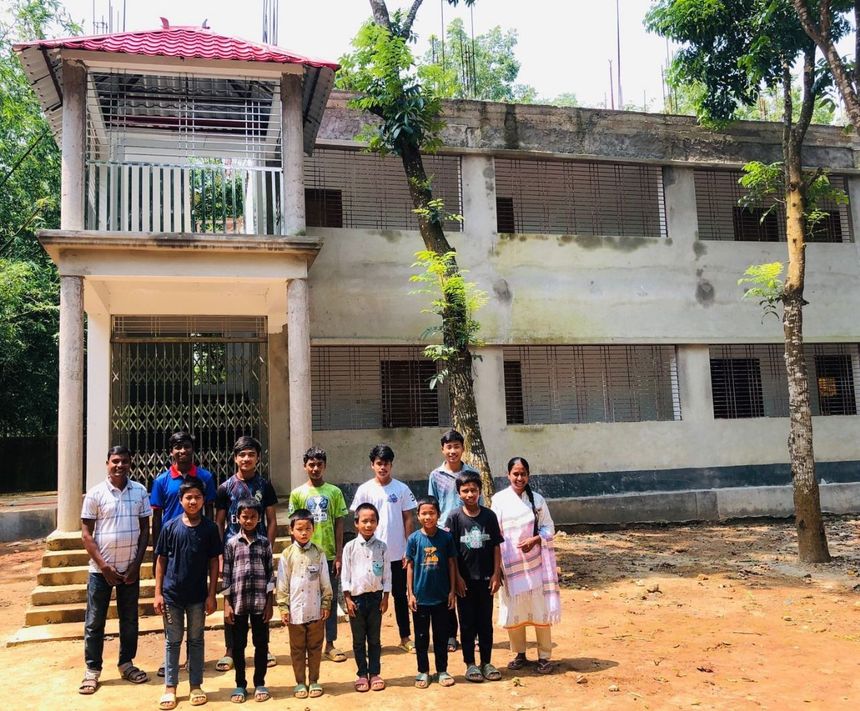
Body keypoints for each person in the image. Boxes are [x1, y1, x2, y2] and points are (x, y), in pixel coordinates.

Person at [79, 445, 152, 695]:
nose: (120, 465)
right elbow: (87, 534)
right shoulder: (95, 494)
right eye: (115, 461)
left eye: (124, 461)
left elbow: (145, 531)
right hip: (101, 572)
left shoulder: (140, 491)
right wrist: (103, 565)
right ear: (107, 463)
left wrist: (136, 565)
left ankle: (126, 663)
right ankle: (92, 670)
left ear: (131, 463)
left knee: (129, 620)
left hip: (129, 570)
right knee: (94, 622)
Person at [150, 431, 217, 677]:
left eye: (187, 446)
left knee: (196, 604)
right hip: (170, 548)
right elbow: (156, 517)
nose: (182, 451)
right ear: (171, 451)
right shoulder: (161, 481)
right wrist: (155, 552)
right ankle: (172, 659)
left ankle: (192, 659)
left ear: (192, 449)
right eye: (177, 447)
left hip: (199, 547)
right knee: (171, 605)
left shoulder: (206, 477)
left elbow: (209, 511)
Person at [154, 477, 222, 709]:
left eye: (197, 497)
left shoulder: (210, 529)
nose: (193, 501)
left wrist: (212, 594)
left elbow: (214, 562)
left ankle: (195, 685)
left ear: (204, 500)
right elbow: (161, 560)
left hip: (198, 597)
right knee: (173, 641)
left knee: (196, 640)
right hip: (172, 595)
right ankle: (170, 687)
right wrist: (158, 593)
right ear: (180, 500)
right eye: (188, 497)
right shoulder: (170, 527)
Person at [491, 457, 561, 675]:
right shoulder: (499, 500)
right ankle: (519, 653)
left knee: (539, 609)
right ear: (508, 475)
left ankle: (544, 656)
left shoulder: (537, 500)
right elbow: (495, 534)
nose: (519, 478)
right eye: (515, 474)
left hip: (536, 566)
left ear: (528, 475)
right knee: (515, 609)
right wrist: (497, 568)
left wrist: (535, 540)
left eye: (523, 474)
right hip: (510, 566)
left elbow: (549, 527)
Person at [215, 436, 279, 671]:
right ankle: (230, 650)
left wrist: (268, 547)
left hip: (259, 551)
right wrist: (221, 553)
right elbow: (219, 522)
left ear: (258, 458)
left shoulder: (265, 485)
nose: (246, 458)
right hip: (234, 553)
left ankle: (265, 647)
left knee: (262, 598)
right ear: (235, 458)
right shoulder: (225, 488)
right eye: (242, 454)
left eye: (251, 454)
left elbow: (271, 520)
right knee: (231, 599)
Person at [350, 444, 417, 652]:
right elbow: (357, 521)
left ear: (391, 465)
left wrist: (408, 548)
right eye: (379, 463)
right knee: (372, 597)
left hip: (397, 554)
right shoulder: (364, 490)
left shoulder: (402, 489)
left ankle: (405, 637)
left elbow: (408, 518)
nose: (383, 467)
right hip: (371, 555)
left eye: (386, 463)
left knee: (399, 595)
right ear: (372, 465)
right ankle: (373, 641)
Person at [288, 446, 348, 663]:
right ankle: (307, 646)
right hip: (305, 555)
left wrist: (339, 554)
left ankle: (330, 643)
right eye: (311, 464)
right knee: (304, 599)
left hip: (329, 555)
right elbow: (294, 526)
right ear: (305, 466)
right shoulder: (297, 494)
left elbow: (339, 522)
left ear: (325, 466)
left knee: (328, 600)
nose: (315, 468)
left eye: (319, 464)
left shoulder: (334, 492)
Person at [447, 470, 504, 682]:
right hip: (465, 582)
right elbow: (451, 553)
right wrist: (457, 579)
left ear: (480, 491)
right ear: (458, 493)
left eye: (474, 490)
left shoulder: (489, 516)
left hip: (486, 580)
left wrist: (496, 574)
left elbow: (497, 546)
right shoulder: (454, 517)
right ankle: (470, 663)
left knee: (485, 623)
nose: (470, 494)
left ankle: (486, 661)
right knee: (467, 622)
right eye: (465, 490)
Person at [428, 429, 480, 651]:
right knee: (447, 584)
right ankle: (451, 634)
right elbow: (432, 504)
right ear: (443, 450)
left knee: (470, 583)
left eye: (456, 446)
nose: (452, 451)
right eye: (448, 447)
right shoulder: (435, 475)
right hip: (445, 534)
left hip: (468, 533)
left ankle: (475, 633)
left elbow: (480, 503)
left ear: (462, 448)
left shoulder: (472, 472)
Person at [222, 498, 275, 703]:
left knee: (261, 644)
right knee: (238, 645)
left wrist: (270, 603)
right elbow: (226, 575)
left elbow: (270, 576)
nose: (249, 520)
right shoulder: (231, 544)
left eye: (253, 516)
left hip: (261, 604)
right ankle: (240, 684)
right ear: (238, 518)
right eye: (245, 516)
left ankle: (260, 682)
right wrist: (227, 604)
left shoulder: (264, 544)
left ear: (259, 518)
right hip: (238, 604)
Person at [276, 508, 333, 699]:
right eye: (299, 529)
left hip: (315, 608)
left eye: (307, 528)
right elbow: (282, 583)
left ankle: (314, 680)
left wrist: (326, 603)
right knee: (297, 648)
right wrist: (283, 607)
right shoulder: (287, 554)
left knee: (315, 647)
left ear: (313, 529)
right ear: (291, 530)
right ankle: (300, 682)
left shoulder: (318, 552)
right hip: (295, 611)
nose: (303, 532)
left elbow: (325, 580)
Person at [405, 495, 458, 689]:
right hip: (420, 598)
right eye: (424, 513)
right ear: (418, 515)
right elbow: (409, 566)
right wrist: (410, 593)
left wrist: (452, 591)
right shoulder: (413, 539)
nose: (428, 517)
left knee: (441, 636)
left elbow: (452, 564)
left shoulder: (446, 537)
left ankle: (442, 670)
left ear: (438, 514)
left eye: (432, 513)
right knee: (421, 637)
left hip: (441, 597)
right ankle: (423, 671)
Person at [341, 502, 391, 692]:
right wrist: (347, 599)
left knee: (375, 639)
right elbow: (345, 576)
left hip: (376, 599)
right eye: (364, 521)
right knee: (359, 639)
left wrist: (386, 597)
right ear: (356, 523)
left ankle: (375, 672)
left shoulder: (382, 547)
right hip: (357, 600)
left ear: (377, 523)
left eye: (372, 521)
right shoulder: (350, 547)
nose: (368, 525)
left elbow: (387, 574)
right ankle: (362, 674)